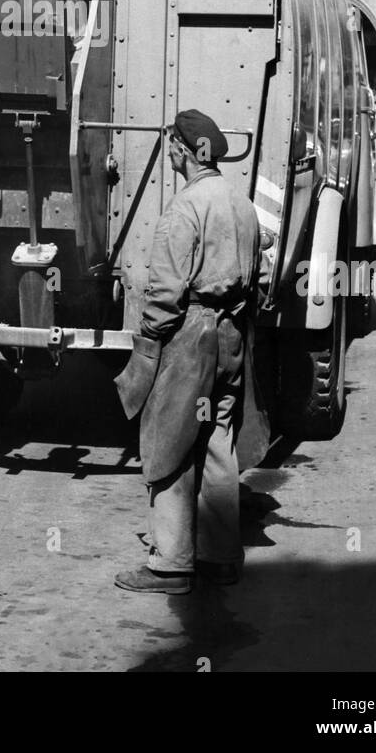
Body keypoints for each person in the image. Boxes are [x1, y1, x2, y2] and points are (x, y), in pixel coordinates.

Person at [114, 109, 260, 595]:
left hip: (189, 335)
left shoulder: (185, 208)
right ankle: (219, 557)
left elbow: (165, 293)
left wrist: (150, 343)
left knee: (170, 443)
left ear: (184, 150)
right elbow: (257, 276)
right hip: (231, 334)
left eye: (173, 145)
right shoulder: (240, 203)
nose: (171, 152)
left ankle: (171, 564)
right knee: (218, 439)